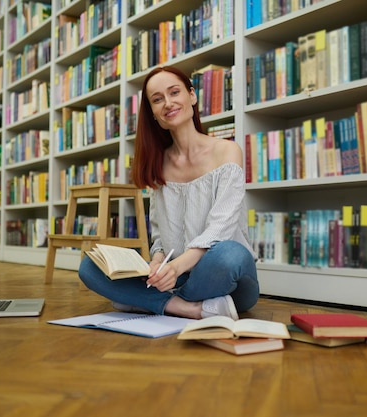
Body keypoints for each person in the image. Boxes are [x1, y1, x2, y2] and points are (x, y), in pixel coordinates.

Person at [78, 66, 259, 320]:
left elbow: (221, 229)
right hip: (178, 275)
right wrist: (157, 262)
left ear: (192, 96)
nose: (168, 103)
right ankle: (188, 308)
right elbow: (161, 237)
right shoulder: (158, 164)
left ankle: (146, 301)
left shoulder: (227, 151)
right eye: (157, 99)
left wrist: (173, 268)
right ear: (152, 112)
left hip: (227, 276)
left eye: (174, 92)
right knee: (90, 264)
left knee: (230, 253)